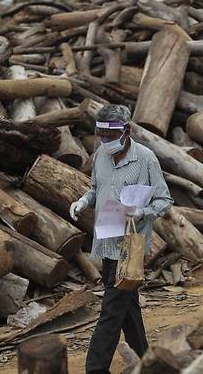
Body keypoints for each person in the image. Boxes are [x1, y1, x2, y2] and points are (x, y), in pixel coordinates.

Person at [69, 104, 173, 374]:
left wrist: (144, 212)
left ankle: (95, 368)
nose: (105, 140)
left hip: (129, 246)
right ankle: (146, 355)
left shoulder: (147, 159)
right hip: (106, 240)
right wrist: (83, 201)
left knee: (112, 309)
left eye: (110, 135)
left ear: (126, 131)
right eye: (100, 134)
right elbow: (95, 188)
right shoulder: (102, 155)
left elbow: (165, 200)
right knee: (127, 303)